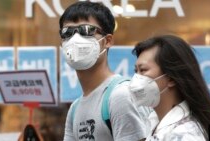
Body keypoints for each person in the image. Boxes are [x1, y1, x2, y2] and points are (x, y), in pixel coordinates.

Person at [59, 1, 149, 141]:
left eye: (87, 30)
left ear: (107, 41)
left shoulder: (120, 96)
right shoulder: (75, 108)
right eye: (67, 33)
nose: (75, 39)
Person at [129, 35, 210, 140]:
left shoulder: (185, 134)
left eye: (143, 70)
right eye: (136, 71)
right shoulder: (153, 122)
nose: (136, 78)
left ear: (170, 78)